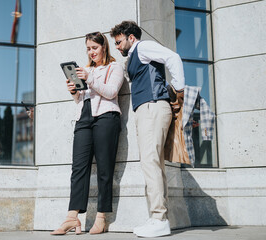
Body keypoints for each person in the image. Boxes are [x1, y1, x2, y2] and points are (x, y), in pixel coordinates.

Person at [110, 21, 185, 238]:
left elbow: (173, 57)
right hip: (148, 109)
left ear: (130, 38)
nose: (117, 46)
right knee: (153, 163)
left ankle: (159, 218)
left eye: (118, 41)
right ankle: (158, 218)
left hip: (152, 106)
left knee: (151, 162)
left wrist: (178, 90)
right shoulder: (133, 57)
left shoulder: (142, 48)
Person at [51, 32, 124, 235]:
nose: (91, 52)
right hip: (84, 117)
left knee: (104, 168)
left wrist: (89, 78)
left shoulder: (114, 66)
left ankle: (101, 217)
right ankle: (72, 218)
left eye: (94, 47)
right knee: (78, 168)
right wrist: (75, 91)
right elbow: (81, 100)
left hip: (107, 118)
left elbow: (111, 92)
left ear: (104, 47)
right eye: (88, 48)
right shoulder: (86, 69)